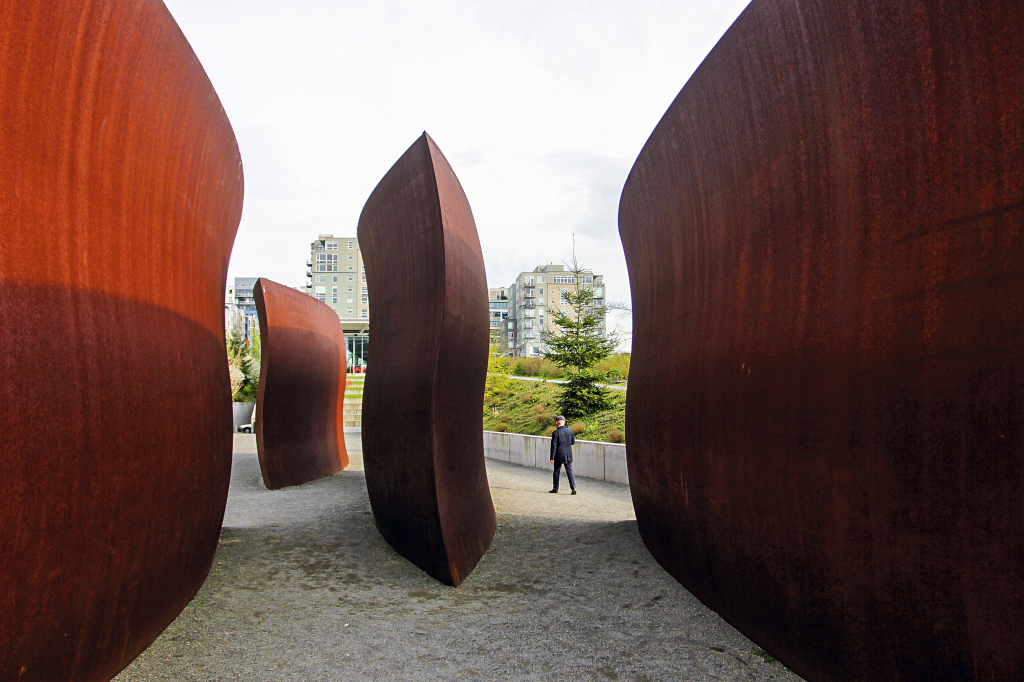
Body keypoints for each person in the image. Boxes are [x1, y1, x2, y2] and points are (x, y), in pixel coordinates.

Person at [549, 416, 577, 495]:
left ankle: (555, 488)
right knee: (569, 471)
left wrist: (552, 457)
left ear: (556, 423)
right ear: (564, 422)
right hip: (568, 454)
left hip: (558, 454)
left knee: (556, 471)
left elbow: (554, 446)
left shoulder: (555, 433)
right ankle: (573, 487)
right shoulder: (569, 431)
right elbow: (572, 442)